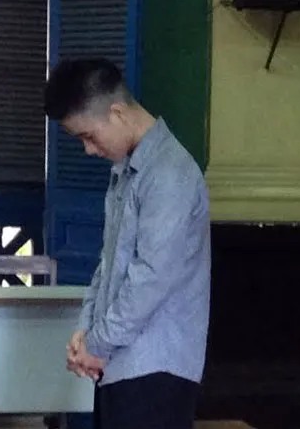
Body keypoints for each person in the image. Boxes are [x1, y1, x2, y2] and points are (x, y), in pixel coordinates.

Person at [45, 58, 211, 429]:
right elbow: (108, 263)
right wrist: (86, 331)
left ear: (117, 113)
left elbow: (150, 277)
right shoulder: (127, 171)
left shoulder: (170, 173)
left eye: (89, 136)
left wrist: (96, 345)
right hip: (121, 365)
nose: (89, 150)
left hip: (157, 371)